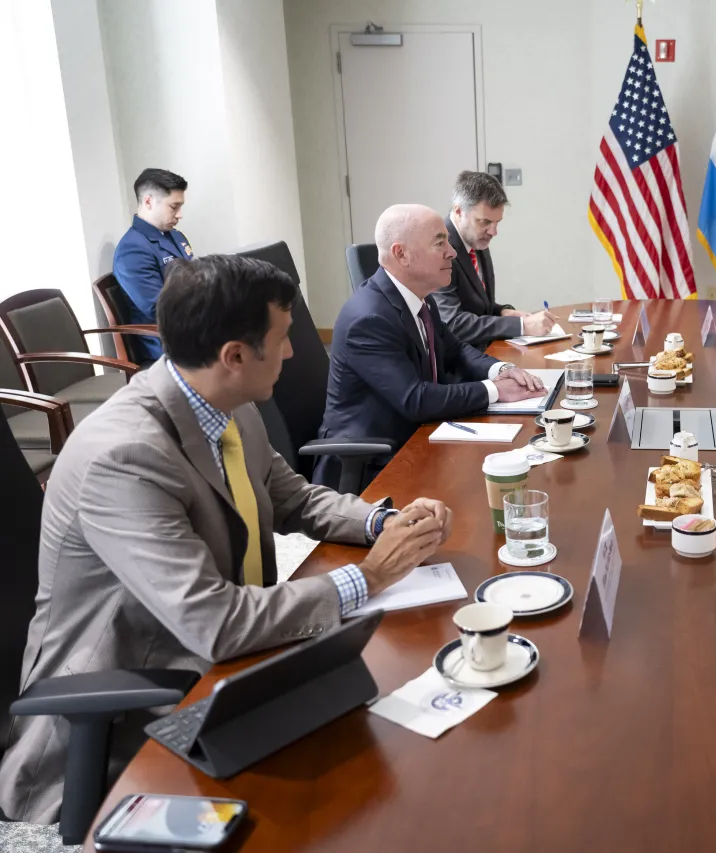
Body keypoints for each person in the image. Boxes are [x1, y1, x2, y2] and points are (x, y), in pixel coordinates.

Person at [0, 255, 452, 823]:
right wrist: (369, 576)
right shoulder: (124, 458)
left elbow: (295, 497)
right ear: (234, 356)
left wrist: (384, 525)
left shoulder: (224, 402)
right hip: (129, 716)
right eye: (284, 338)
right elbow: (214, 622)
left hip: (227, 670)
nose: (293, 351)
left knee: (378, 760)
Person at [316, 204, 546, 491]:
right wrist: (496, 390)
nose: (452, 252)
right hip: (373, 466)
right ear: (401, 254)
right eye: (440, 242)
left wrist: (503, 369)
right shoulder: (369, 319)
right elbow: (416, 400)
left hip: (420, 437)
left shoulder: (422, 300)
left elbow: (456, 350)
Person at [433, 171, 557, 347]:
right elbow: (453, 323)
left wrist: (501, 312)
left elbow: (478, 306)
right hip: (457, 364)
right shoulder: (440, 248)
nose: (493, 232)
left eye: (497, 222)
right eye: (484, 222)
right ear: (459, 211)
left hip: (483, 350)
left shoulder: (476, 238)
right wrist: (521, 326)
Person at [112, 168, 195, 362]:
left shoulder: (175, 235)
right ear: (149, 201)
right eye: (174, 207)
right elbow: (159, 308)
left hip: (191, 326)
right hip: (167, 340)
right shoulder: (132, 249)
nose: (180, 215)